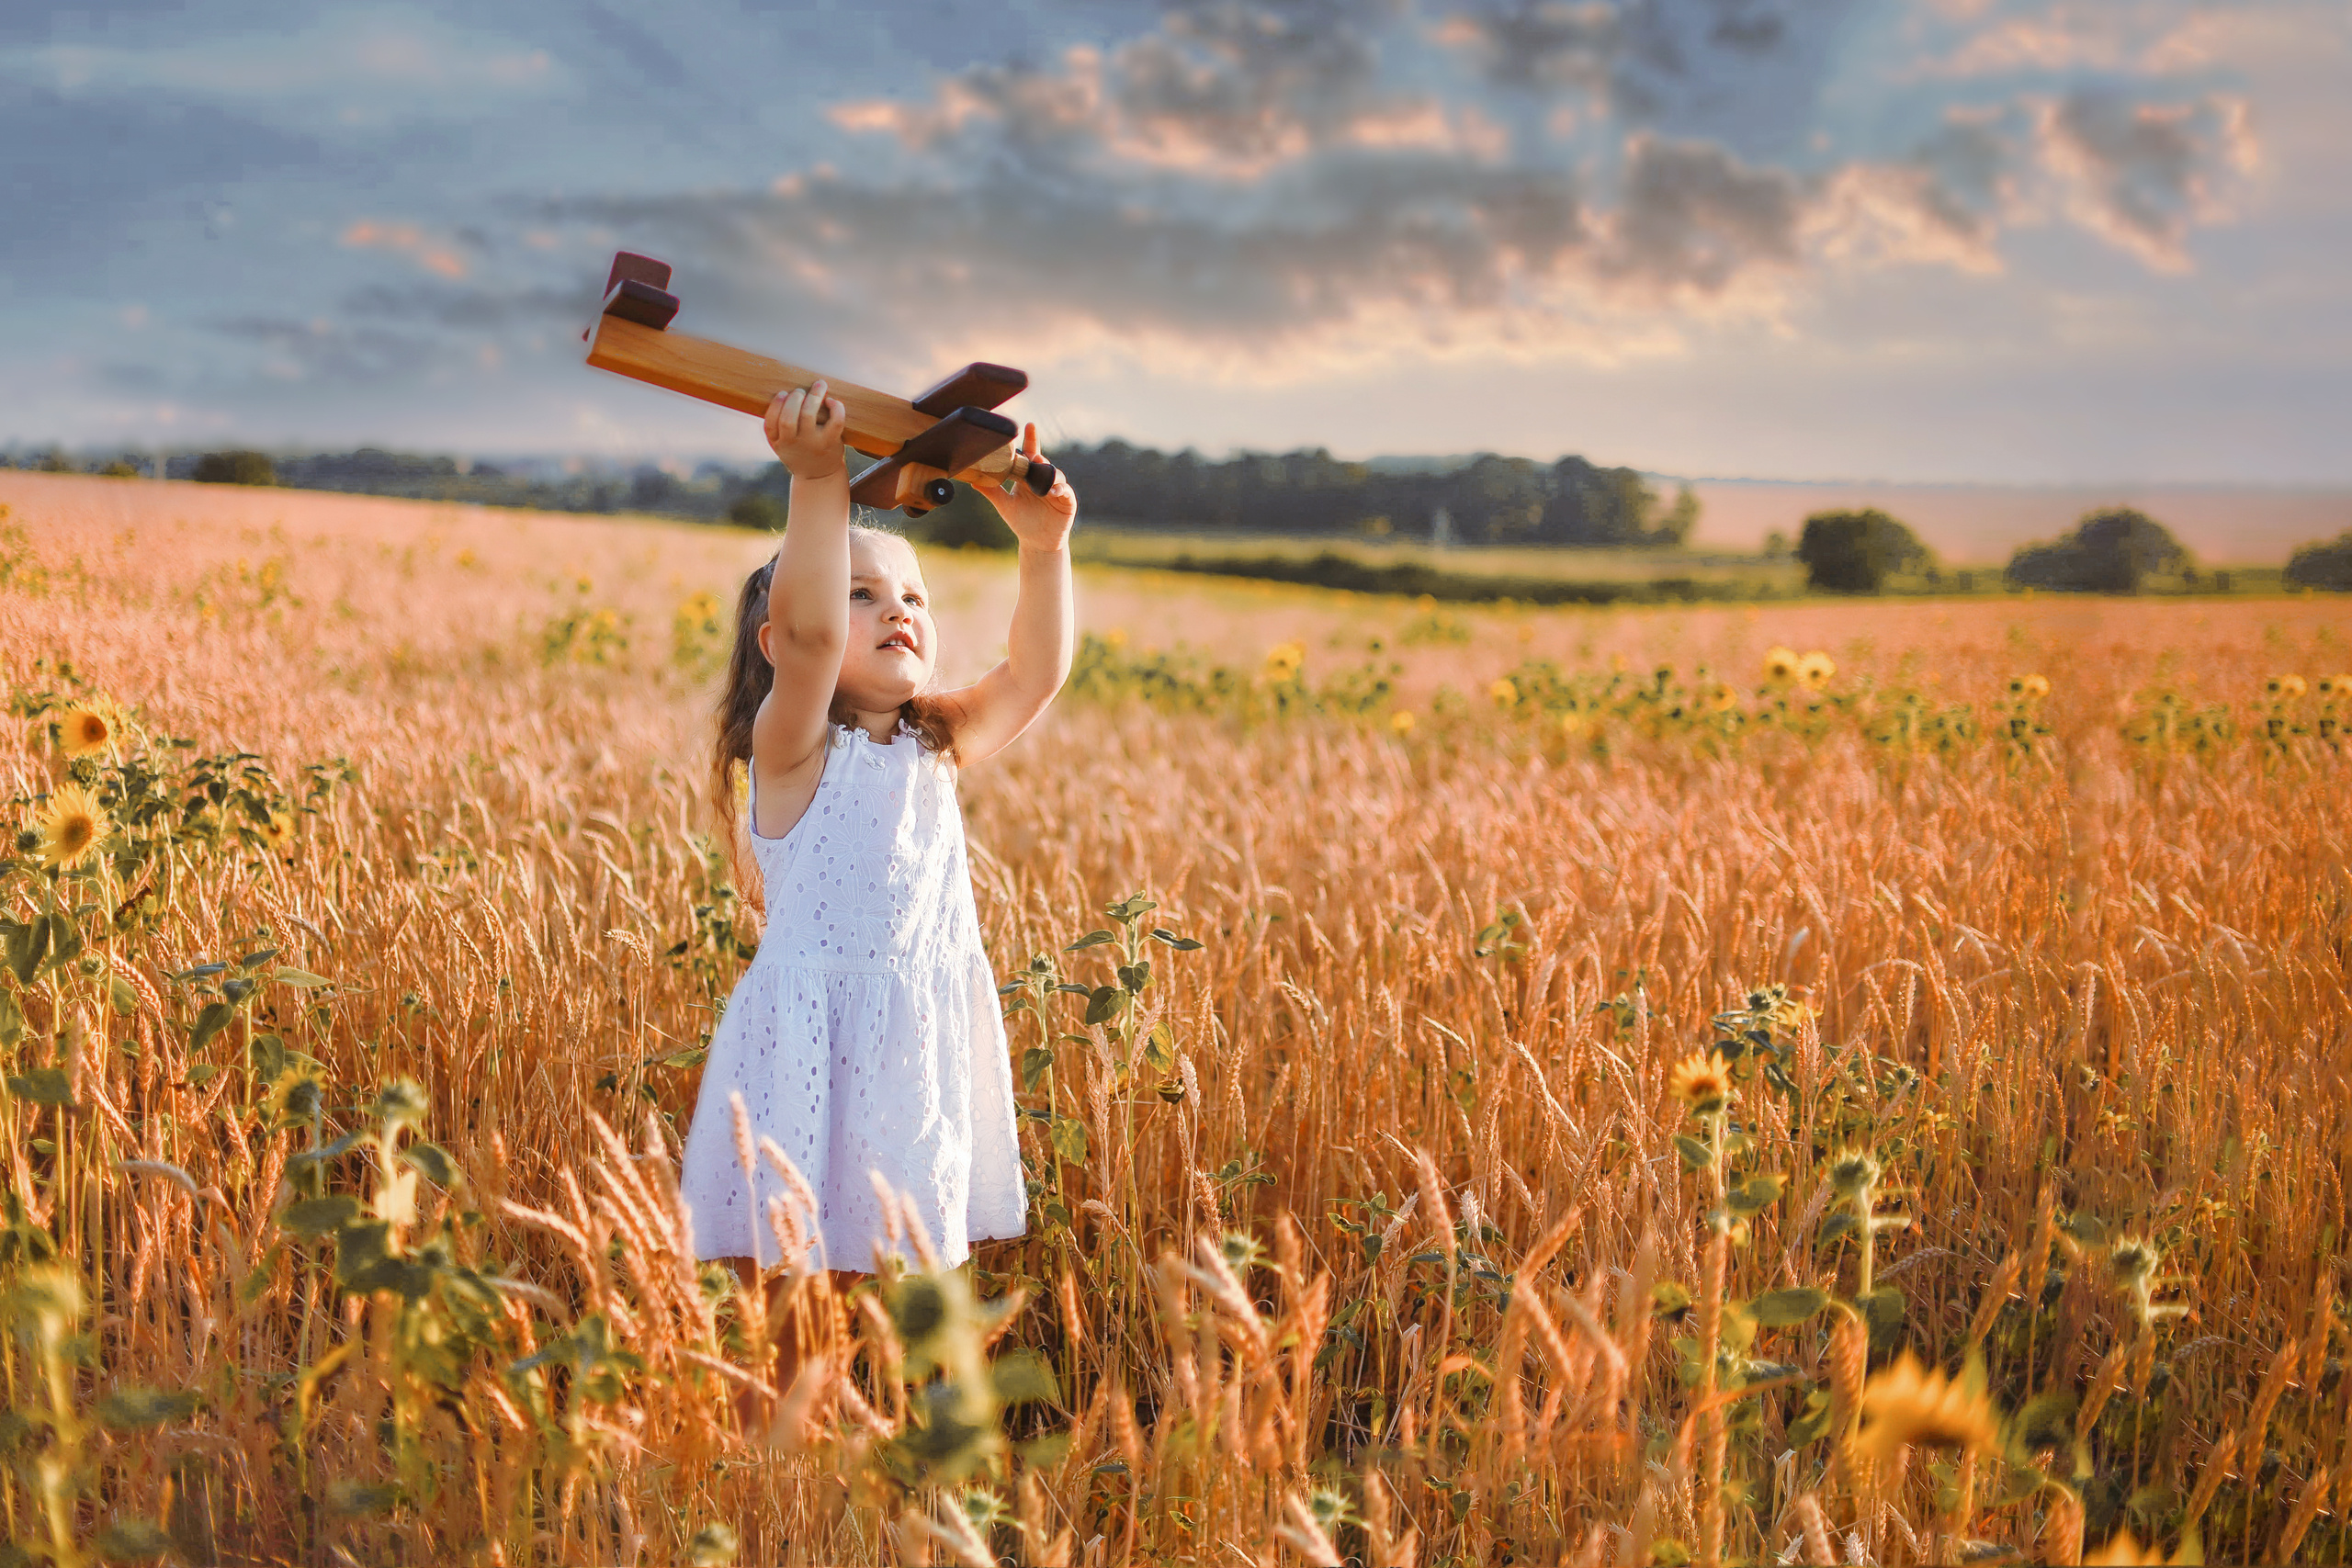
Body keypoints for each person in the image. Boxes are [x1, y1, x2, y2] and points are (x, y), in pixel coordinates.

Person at [674, 378, 1077, 1423]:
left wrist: (1043, 547)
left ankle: (855, 1468)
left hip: (909, 1049)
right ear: (778, 644)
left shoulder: (938, 745)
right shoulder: (793, 747)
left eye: (911, 596)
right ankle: (774, 1466)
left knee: (882, 1300)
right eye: (861, 594)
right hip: (811, 1050)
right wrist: (818, 481)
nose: (896, 608)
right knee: (798, 1306)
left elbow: (1033, 676)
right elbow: (809, 643)